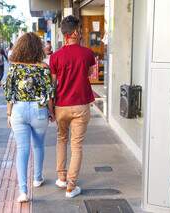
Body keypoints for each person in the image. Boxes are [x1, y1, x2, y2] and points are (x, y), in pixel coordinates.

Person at [4, 32, 55, 203]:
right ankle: (38, 178)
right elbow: (49, 94)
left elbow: (9, 94)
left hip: (18, 110)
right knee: (38, 145)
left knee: (22, 149)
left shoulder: (13, 68)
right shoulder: (43, 68)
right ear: (37, 48)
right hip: (39, 110)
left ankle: (23, 191)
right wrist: (52, 112)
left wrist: (8, 114)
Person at [49, 15, 96, 198]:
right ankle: (71, 186)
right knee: (76, 146)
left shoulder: (55, 56)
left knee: (61, 140)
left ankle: (61, 177)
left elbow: (53, 85)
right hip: (81, 105)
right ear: (75, 32)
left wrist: (51, 108)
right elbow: (91, 73)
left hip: (61, 105)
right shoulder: (87, 53)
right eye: (80, 30)